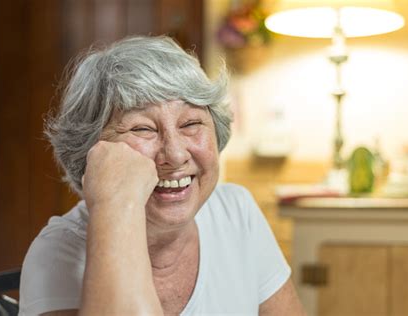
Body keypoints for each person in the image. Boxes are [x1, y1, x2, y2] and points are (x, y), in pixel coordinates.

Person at [19, 35, 306, 315]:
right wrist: (115, 204)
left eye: (191, 123)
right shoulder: (58, 253)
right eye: (142, 129)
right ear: (92, 153)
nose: (176, 154)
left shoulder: (235, 211)